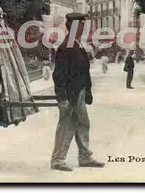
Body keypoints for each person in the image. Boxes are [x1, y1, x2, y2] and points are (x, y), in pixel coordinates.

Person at [50, 13, 105, 172]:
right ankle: (57, 160)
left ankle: (85, 157)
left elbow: (84, 72)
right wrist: (62, 98)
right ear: (74, 27)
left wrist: (87, 91)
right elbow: (59, 75)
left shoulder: (76, 44)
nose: (84, 27)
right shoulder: (66, 46)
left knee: (82, 124)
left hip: (78, 93)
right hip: (70, 94)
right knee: (67, 125)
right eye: (81, 24)